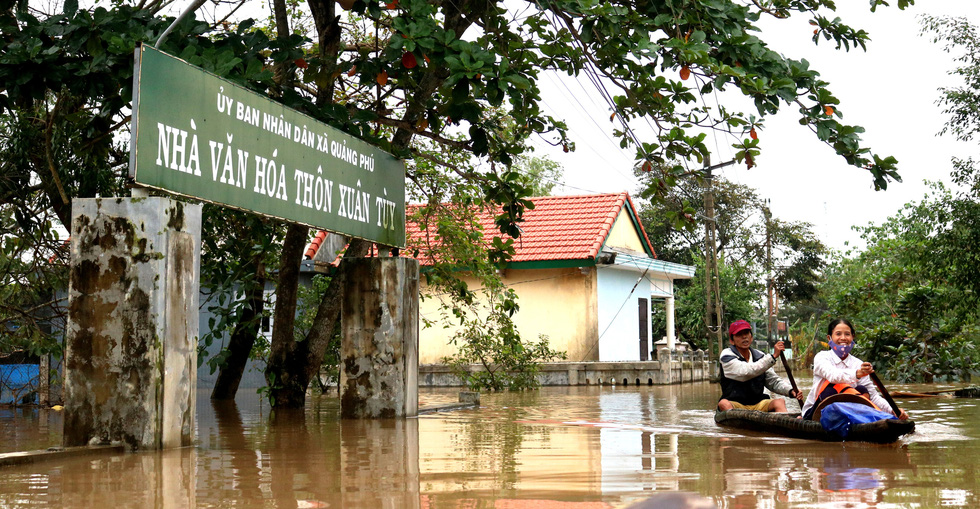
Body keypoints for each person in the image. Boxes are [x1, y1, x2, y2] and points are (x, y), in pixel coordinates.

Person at [800, 318, 909, 420]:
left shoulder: (858, 363)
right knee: (831, 390)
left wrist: (893, 410)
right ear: (829, 338)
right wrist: (857, 373)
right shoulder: (822, 357)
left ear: (852, 337)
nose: (843, 338)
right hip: (817, 411)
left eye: (847, 334)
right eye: (838, 334)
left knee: (862, 390)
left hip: (848, 410)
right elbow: (833, 376)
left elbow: (873, 396)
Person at [717, 320, 804, 412]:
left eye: (746, 333)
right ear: (732, 340)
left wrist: (790, 391)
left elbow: (773, 382)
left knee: (779, 402)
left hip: (758, 404)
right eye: (739, 334)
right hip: (735, 403)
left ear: (751, 337)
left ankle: (784, 426)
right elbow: (745, 372)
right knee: (723, 404)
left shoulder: (760, 356)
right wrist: (773, 357)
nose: (744, 337)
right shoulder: (727, 355)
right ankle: (736, 424)